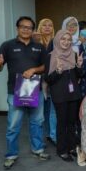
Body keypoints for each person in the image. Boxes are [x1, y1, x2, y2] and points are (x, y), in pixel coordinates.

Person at [0, 16, 50, 169]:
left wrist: (34, 69)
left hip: (35, 91)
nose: (26, 30)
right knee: (13, 125)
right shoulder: (7, 46)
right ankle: (11, 154)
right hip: (15, 91)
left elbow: (45, 66)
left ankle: (38, 149)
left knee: (37, 122)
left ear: (33, 30)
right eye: (23, 27)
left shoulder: (39, 47)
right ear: (17, 28)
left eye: (29, 27)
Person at [44, 30, 83, 162]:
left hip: (73, 94)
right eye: (63, 39)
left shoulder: (75, 54)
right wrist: (59, 70)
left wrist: (78, 66)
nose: (66, 42)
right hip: (59, 95)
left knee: (72, 123)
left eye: (68, 40)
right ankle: (62, 150)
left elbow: (79, 75)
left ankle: (72, 147)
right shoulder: (51, 56)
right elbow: (48, 79)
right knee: (62, 123)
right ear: (57, 40)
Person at [37, 18, 57, 146]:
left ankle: (51, 134)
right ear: (40, 27)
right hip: (37, 80)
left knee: (51, 109)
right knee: (40, 111)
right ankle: (42, 136)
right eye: (44, 25)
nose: (47, 27)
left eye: (50, 25)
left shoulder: (57, 41)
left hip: (53, 80)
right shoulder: (35, 41)